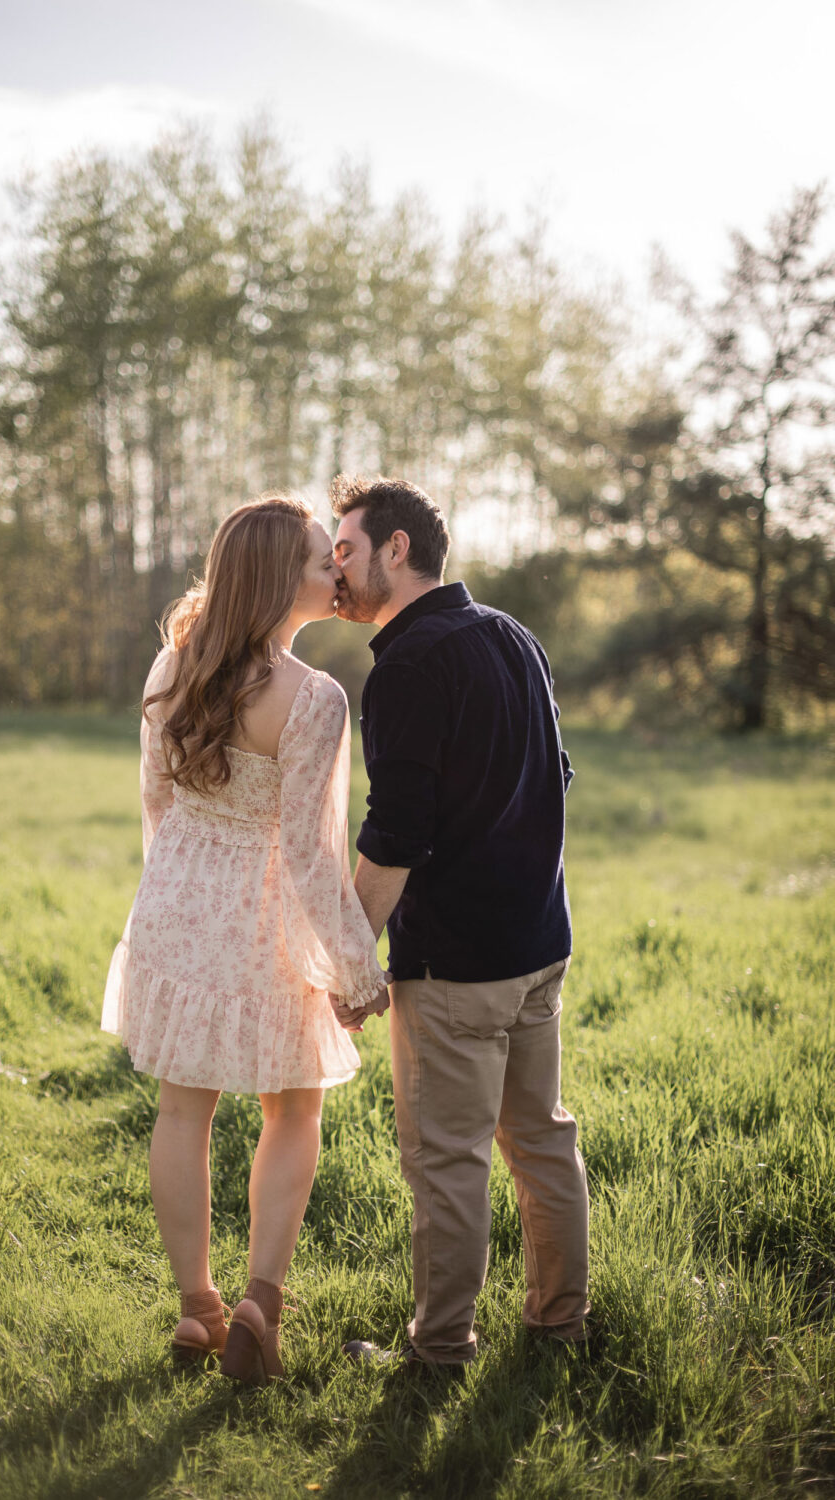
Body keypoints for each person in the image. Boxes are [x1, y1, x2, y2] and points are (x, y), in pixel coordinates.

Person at [102, 494, 387, 1385]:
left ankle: (198, 1310)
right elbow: (310, 854)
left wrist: (169, 898)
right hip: (265, 921)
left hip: (177, 906)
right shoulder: (316, 700)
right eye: (317, 559)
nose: (333, 572)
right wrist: (355, 967)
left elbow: (157, 806)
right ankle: (261, 1299)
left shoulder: (169, 668)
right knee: (293, 1107)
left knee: (182, 1112)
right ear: (276, 580)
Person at [328, 474, 589, 1371]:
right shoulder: (514, 635)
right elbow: (557, 776)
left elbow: (396, 831)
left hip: (455, 973)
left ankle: (439, 1351)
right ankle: (560, 1327)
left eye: (347, 548)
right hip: (541, 947)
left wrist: (353, 960)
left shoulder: (404, 666)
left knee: (448, 1164)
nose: (337, 567)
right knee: (544, 1141)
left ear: (396, 549)